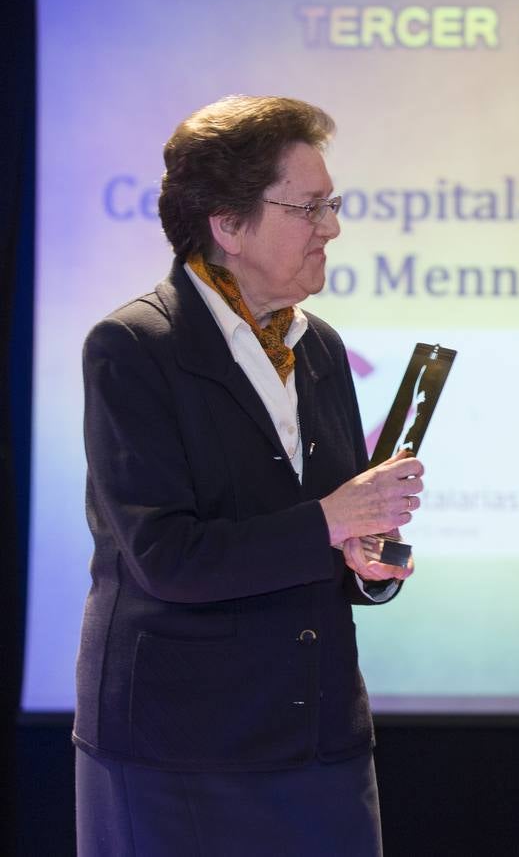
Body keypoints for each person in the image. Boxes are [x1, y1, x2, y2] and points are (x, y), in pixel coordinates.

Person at [74, 95, 424, 856]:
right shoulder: (134, 347)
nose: (331, 227)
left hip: (320, 739)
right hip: (181, 754)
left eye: (331, 204)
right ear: (227, 225)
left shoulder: (319, 346)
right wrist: (332, 521)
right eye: (309, 208)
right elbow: (167, 558)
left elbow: (326, 531)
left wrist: (370, 558)